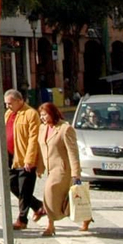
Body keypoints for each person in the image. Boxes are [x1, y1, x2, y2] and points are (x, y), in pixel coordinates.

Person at [36, 101, 82, 236]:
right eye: (41, 115)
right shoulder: (42, 128)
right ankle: (86, 217)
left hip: (63, 169)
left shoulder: (65, 129)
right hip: (50, 168)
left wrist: (76, 173)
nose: (43, 118)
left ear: (53, 113)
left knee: (49, 191)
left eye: (45, 115)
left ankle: (50, 225)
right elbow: (41, 148)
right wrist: (40, 167)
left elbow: (73, 152)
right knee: (69, 197)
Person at [3, 89, 44, 229]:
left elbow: (34, 138)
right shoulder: (8, 113)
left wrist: (30, 158)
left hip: (25, 157)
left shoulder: (31, 114)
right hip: (10, 157)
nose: (8, 106)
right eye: (6, 103)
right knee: (11, 184)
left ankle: (22, 220)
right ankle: (38, 206)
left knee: (25, 189)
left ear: (19, 101)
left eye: (10, 103)